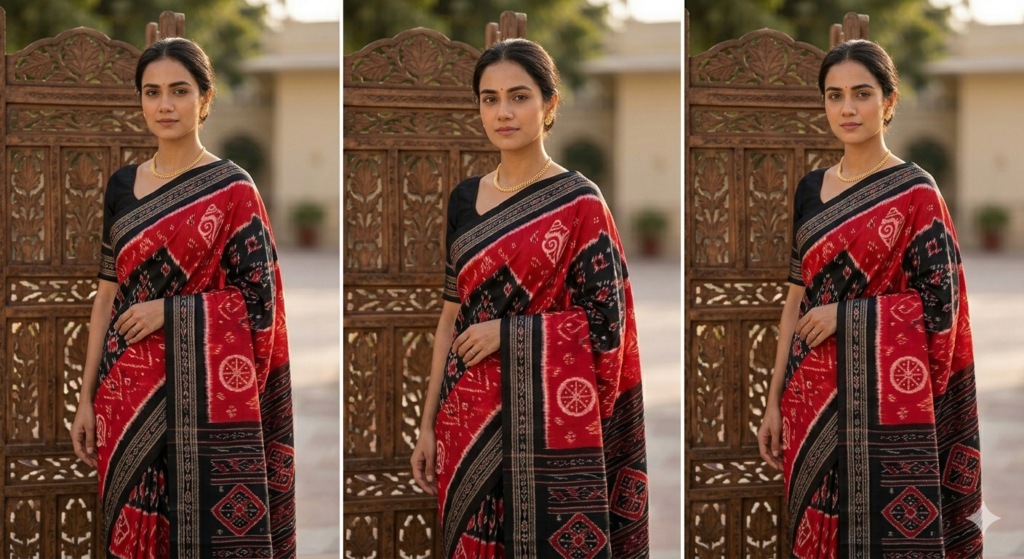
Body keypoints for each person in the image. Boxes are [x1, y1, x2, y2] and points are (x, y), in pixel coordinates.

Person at [409, 38, 650, 557]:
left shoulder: (580, 203)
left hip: (553, 430)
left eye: (518, 97)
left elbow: (610, 324)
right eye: (489, 98)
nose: (502, 112)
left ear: (549, 104)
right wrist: (427, 424)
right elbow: (450, 318)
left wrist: (509, 334)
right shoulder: (464, 199)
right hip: (465, 420)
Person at [68, 37, 296, 558]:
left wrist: (170, 312)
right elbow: (105, 299)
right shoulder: (122, 187)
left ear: (205, 98)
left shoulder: (233, 189)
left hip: (210, 406)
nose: (164, 105)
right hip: (124, 395)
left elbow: (262, 302)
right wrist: (84, 398)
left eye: (179, 91)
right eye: (152, 92)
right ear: (140, 101)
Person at [757, 39, 983, 558]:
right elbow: (794, 301)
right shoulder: (809, 190)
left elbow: (941, 307)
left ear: (889, 100)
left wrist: (848, 316)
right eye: (834, 96)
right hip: (808, 396)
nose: (847, 108)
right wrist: (772, 400)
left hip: (888, 406)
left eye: (862, 93)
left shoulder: (916, 193)